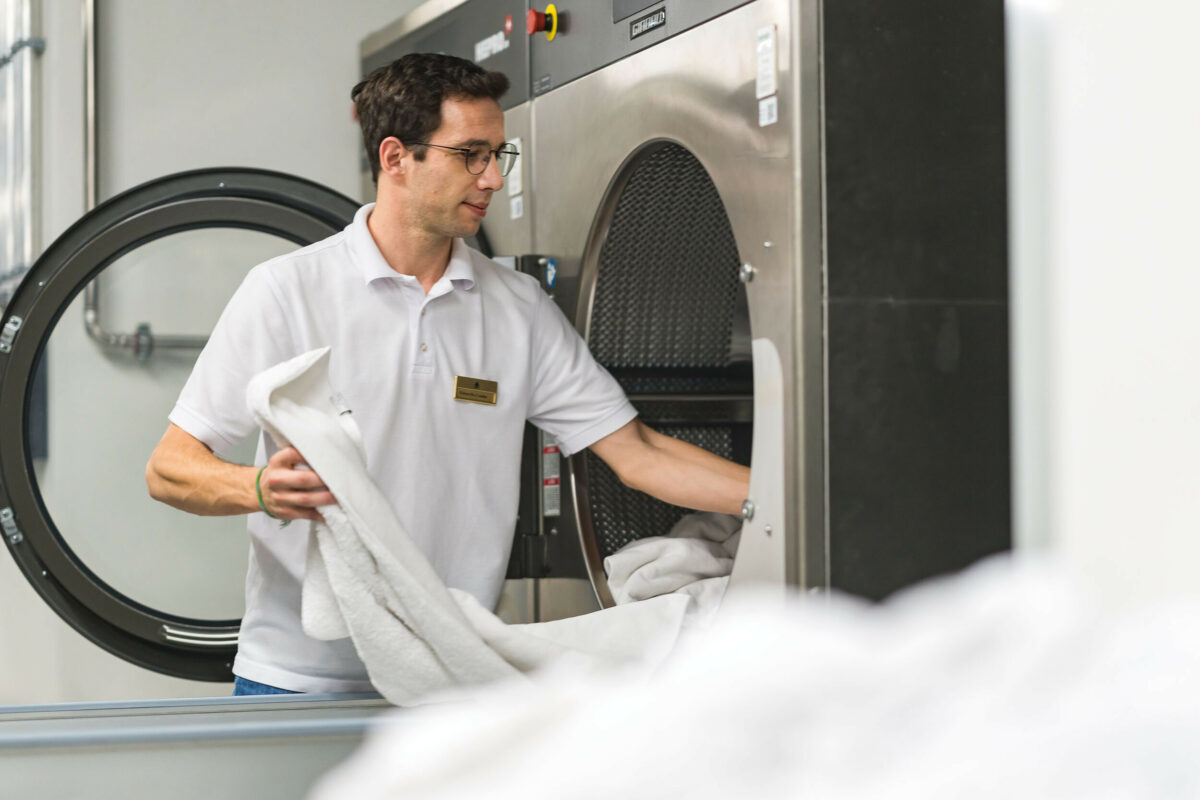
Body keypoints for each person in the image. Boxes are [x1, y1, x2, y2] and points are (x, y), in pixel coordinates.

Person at [145, 53, 750, 697]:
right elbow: (171, 468)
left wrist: (783, 501)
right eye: (470, 154)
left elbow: (638, 453)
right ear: (396, 157)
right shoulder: (286, 291)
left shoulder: (516, 308)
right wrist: (262, 488)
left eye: (498, 154)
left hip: (455, 676)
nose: (492, 178)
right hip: (298, 678)